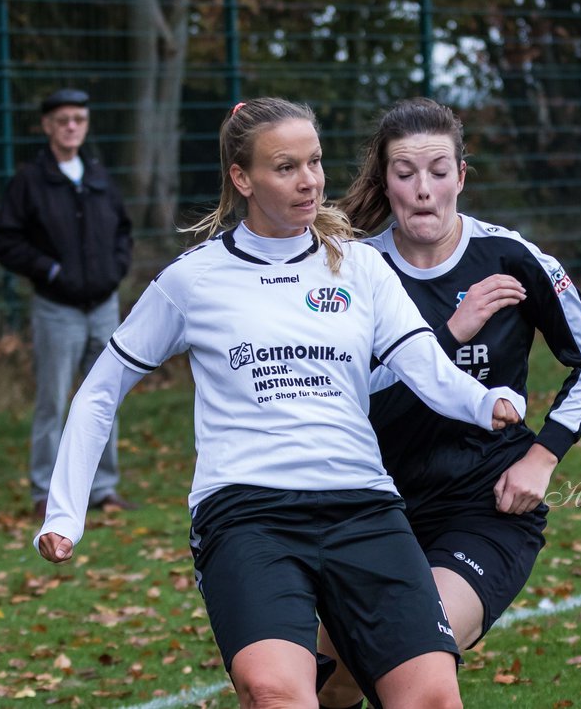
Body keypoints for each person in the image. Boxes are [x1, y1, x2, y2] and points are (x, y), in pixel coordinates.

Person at [35, 97, 529, 709]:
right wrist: (65, 512)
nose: (310, 182)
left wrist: (486, 403)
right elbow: (98, 392)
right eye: (286, 167)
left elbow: (422, 364)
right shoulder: (193, 280)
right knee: (275, 693)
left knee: (430, 696)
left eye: (315, 162)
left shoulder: (362, 267)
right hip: (246, 513)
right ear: (243, 178)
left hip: (363, 506)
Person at [319, 98, 581, 708]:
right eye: (405, 173)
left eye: (437, 171)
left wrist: (543, 457)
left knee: (411, 649)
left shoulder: (511, 259)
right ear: (384, 182)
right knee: (328, 673)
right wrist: (448, 335)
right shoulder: (353, 271)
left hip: (481, 507)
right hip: (372, 506)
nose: (422, 190)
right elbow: (336, 394)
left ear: (461, 175)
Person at [0, 88, 134, 519]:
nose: (71, 126)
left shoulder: (97, 176)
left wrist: (115, 271)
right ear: (47, 126)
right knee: (54, 401)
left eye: (79, 118)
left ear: (86, 124)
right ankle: (45, 494)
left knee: (102, 398)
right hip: (58, 310)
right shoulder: (30, 181)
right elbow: (6, 241)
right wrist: (51, 271)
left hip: (104, 307)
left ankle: (103, 490)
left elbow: (123, 232)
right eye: (62, 119)